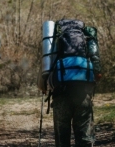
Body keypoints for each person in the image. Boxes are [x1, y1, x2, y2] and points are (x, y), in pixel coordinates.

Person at [48, 19, 102, 147]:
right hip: (82, 93)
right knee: (84, 138)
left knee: (62, 140)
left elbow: (46, 67)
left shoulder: (55, 39)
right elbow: (96, 62)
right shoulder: (87, 37)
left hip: (60, 93)